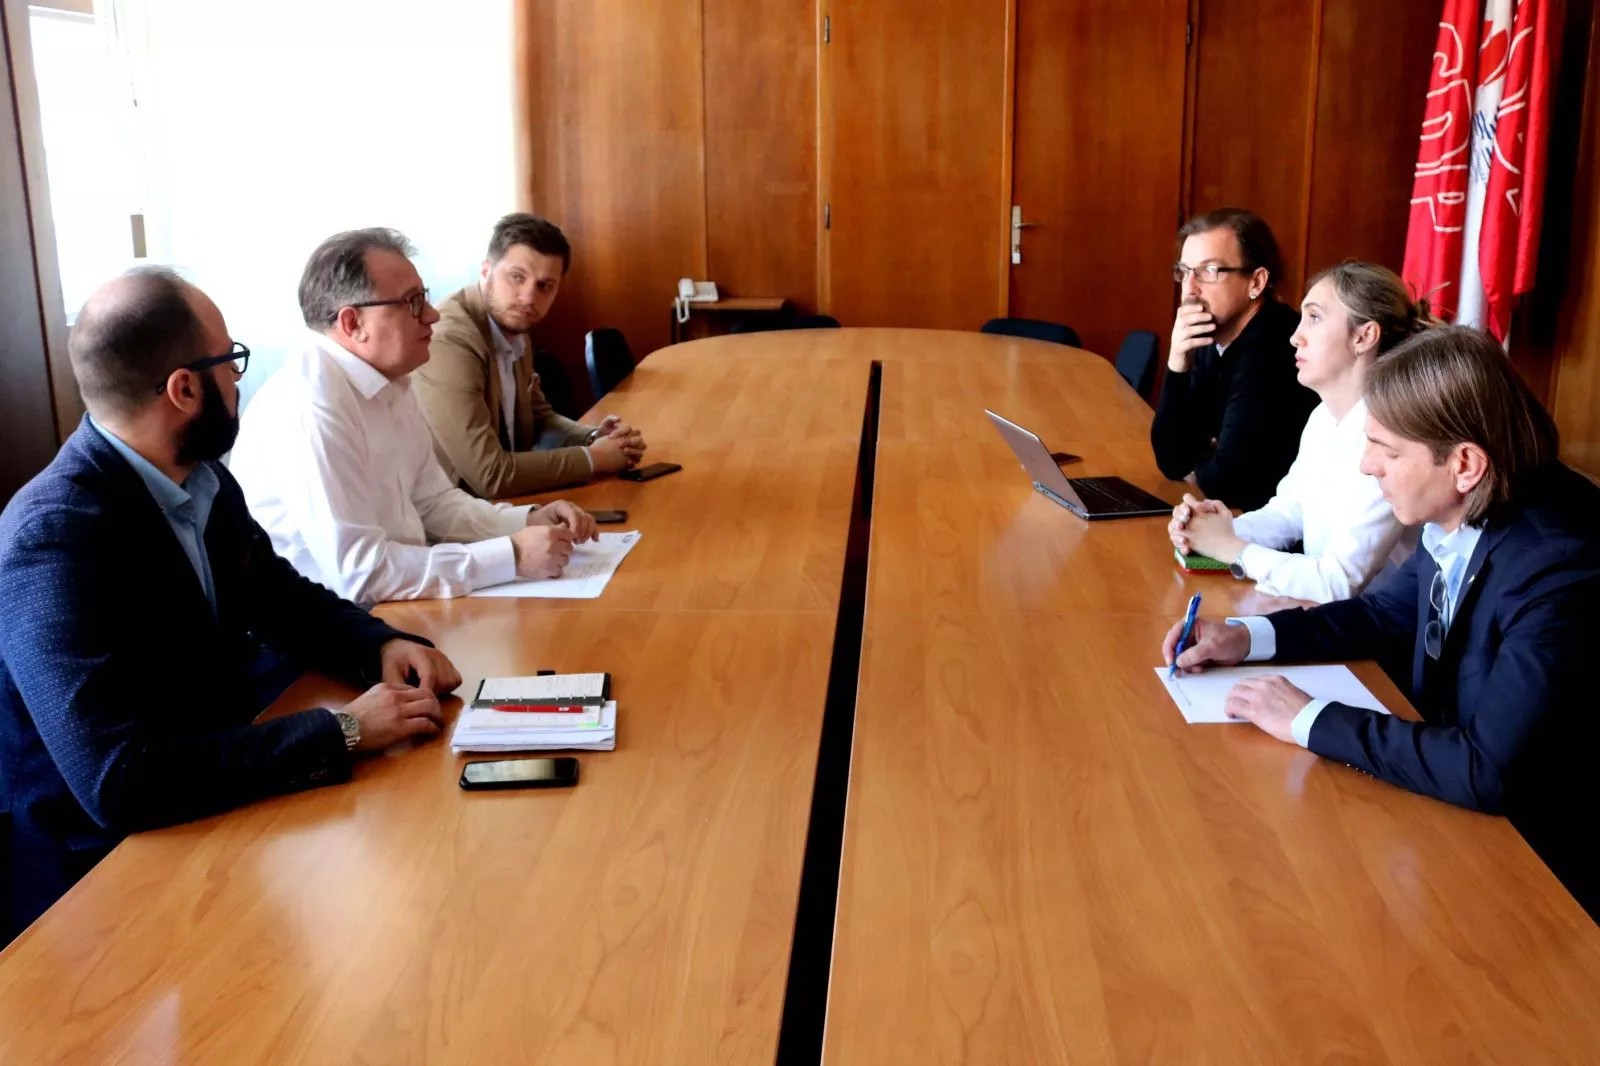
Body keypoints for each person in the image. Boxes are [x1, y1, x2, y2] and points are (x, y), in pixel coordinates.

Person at [0, 268, 463, 942]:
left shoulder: (200, 475)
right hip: (97, 884)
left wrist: (380, 644)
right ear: (184, 389)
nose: (239, 380)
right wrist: (342, 730)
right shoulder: (53, 537)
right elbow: (118, 781)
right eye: (230, 360)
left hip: (218, 799)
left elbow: (277, 595)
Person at [1162, 326, 1599, 915]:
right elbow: (1384, 612)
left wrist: (1306, 717)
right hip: (1445, 811)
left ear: (1464, 463)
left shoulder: (1557, 562)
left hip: (1542, 872)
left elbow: (1484, 768)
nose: (1368, 467)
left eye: (1387, 451)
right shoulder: (1472, 497)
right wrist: (1245, 638)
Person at [231, 228, 598, 605]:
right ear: (353, 323)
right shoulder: (311, 404)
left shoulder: (392, 380)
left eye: (424, 297)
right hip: (332, 623)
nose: (433, 314)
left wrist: (526, 520)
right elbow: (362, 573)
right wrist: (513, 556)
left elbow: (434, 503)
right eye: (412, 302)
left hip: (394, 602)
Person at [1168, 262, 1429, 603]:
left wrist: (1234, 549)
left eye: (1314, 318)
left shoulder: (1392, 440)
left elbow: (1338, 582)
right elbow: (1289, 511)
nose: (1295, 336)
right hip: (1318, 614)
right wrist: (1214, 529)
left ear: (1364, 337)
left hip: (1372, 630)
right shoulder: (1323, 416)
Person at [412, 213, 646, 497]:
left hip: (506, 503)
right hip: (452, 512)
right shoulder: (449, 341)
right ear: (485, 271)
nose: (529, 297)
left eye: (544, 286)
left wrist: (595, 437)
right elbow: (489, 475)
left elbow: (540, 417)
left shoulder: (514, 326)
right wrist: (593, 459)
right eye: (516, 277)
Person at [1151, 208, 1318, 511]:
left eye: (1209, 271)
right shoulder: (1207, 334)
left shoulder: (1276, 348)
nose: (1189, 288)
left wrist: (1200, 462)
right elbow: (1171, 459)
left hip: (1272, 527)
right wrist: (1178, 361)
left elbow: (1226, 483)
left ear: (1256, 282)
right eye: (1185, 272)